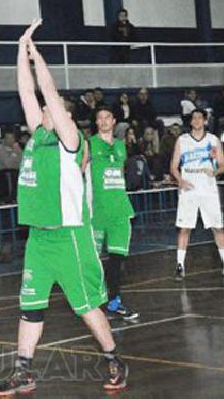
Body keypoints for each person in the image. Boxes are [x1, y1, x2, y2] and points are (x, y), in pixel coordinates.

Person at [0, 19, 127, 395]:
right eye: (49, 111)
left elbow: (46, 91)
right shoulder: (39, 134)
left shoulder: (72, 141)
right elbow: (26, 93)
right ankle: (23, 371)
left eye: (57, 110)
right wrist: (21, 50)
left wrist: (40, 60)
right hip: (39, 238)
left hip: (70, 236)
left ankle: (115, 358)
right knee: (30, 308)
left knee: (86, 308)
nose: (47, 110)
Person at [169, 109, 224, 282]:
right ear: (191, 121)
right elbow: (173, 166)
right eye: (193, 117)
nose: (196, 120)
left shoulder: (213, 140)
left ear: (205, 121)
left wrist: (215, 171)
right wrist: (180, 180)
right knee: (185, 227)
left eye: (199, 117)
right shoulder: (182, 140)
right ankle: (180, 266)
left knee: (218, 227)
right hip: (189, 191)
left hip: (208, 190)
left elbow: (223, 165)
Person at [89, 107, 139, 321]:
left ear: (114, 121)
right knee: (92, 260)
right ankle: (93, 302)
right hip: (96, 211)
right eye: (99, 118)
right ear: (96, 122)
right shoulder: (88, 144)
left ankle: (115, 301)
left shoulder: (120, 146)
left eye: (107, 117)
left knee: (117, 260)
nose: (103, 121)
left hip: (120, 210)